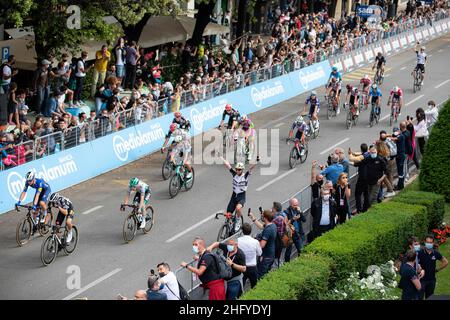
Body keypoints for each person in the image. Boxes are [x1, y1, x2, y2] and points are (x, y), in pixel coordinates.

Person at [220, 155, 258, 232]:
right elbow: (228, 165)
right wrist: (222, 158)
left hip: (241, 196)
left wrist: (256, 161)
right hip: (234, 196)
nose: (237, 171)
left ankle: (238, 221)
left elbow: (251, 168)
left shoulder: (245, 176)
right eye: (237, 169)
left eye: (239, 170)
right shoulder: (234, 174)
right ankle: (229, 227)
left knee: (238, 208)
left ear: (242, 170)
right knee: (228, 215)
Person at [417, 235, 448, 299]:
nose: (429, 244)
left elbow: (445, 262)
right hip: (421, 280)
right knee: (419, 298)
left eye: (430, 242)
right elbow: (414, 263)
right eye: (427, 242)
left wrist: (437, 270)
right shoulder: (420, 253)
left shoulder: (435, 253)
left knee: (430, 298)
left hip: (431, 280)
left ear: (433, 243)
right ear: (425, 242)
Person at [248, 209, 277, 279]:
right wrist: (253, 217)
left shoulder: (268, 230)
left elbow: (262, 245)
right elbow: (261, 226)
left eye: (263, 216)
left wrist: (253, 241)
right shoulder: (272, 225)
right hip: (271, 255)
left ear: (265, 218)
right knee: (266, 274)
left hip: (265, 257)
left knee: (260, 276)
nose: (261, 217)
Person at [237, 223, 262, 289]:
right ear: (250, 231)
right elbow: (259, 253)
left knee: (240, 287)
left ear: (242, 231)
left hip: (242, 267)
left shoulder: (238, 241)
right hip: (252, 267)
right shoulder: (255, 241)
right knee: (254, 286)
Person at [283, 198, 306, 262]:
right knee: (288, 252)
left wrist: (300, 212)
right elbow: (286, 223)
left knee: (301, 250)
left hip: (297, 234)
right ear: (290, 205)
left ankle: (300, 262)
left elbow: (304, 220)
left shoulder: (298, 210)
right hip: (290, 234)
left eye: (297, 205)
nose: (296, 207)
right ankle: (286, 264)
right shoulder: (286, 212)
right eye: (294, 205)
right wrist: (293, 219)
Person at [348, 143, 369, 213]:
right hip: (368, 177)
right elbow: (360, 154)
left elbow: (352, 159)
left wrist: (350, 154)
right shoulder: (368, 154)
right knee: (366, 193)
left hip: (362, 178)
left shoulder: (362, 158)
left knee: (358, 194)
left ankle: (359, 209)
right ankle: (366, 207)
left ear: (361, 149)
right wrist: (353, 153)